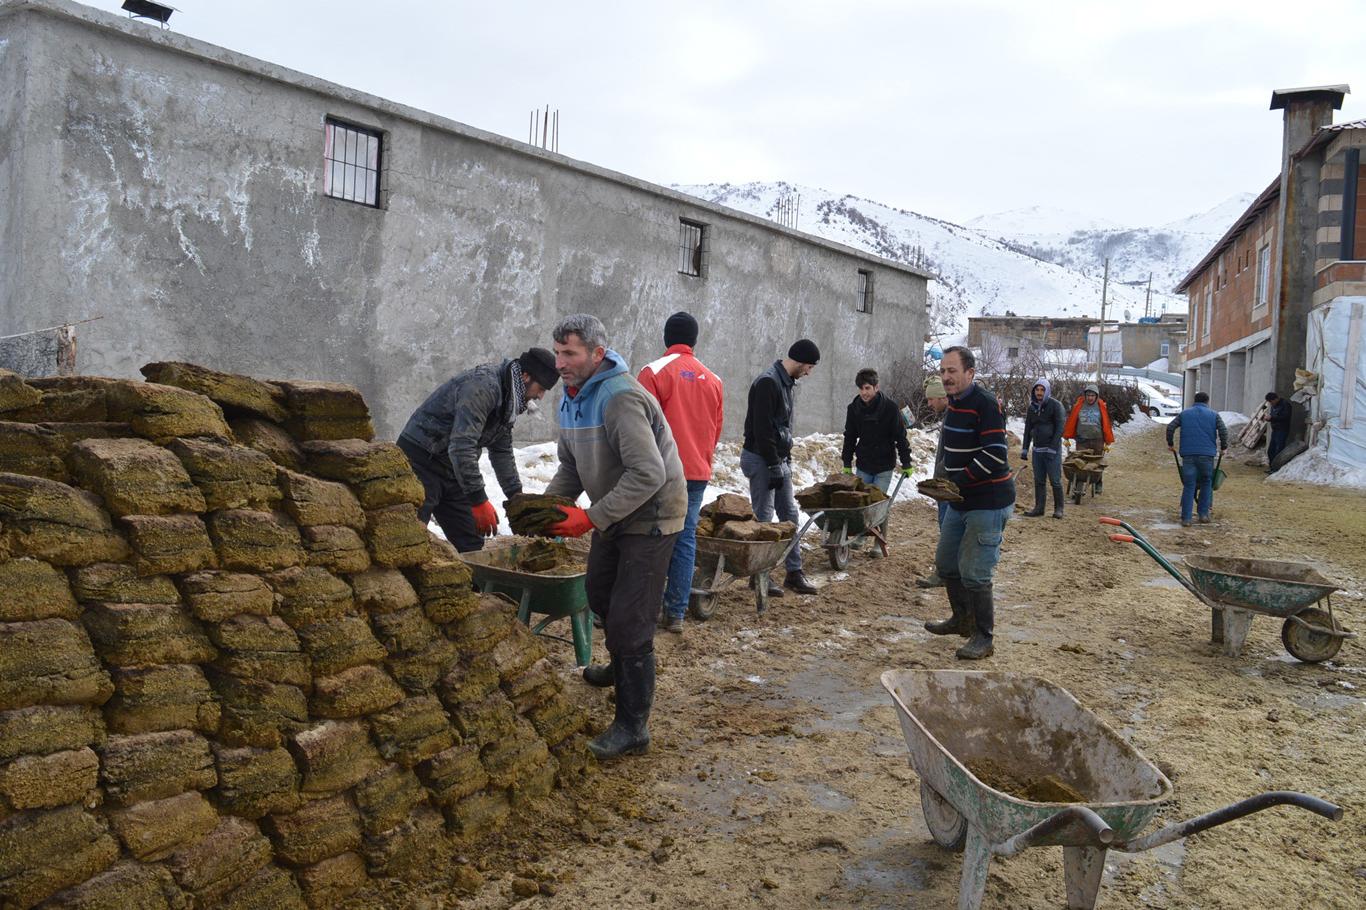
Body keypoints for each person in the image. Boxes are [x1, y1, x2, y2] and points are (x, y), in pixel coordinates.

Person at [541, 314, 686, 760]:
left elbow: (648, 473)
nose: (561, 362)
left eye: (571, 353)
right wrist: (545, 509)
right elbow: (571, 465)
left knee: (631, 619)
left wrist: (589, 519)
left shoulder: (619, 397)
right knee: (599, 592)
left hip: (653, 513)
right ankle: (621, 664)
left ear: (597, 354)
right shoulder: (571, 398)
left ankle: (632, 727)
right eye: (558, 352)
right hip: (617, 511)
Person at [398, 349, 559, 552]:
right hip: (421, 462)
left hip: (452, 469)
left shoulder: (510, 399)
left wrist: (518, 499)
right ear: (526, 376)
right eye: (541, 388)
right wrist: (479, 500)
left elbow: (501, 451)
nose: (540, 396)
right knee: (407, 541)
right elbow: (461, 446)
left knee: (472, 546)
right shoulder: (484, 387)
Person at [923, 346, 1014, 660]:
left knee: (975, 572)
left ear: (970, 373)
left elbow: (995, 454)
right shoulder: (954, 405)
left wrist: (957, 481)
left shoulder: (985, 405)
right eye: (943, 371)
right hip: (961, 501)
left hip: (987, 501)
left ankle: (983, 637)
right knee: (947, 564)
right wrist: (943, 480)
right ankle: (961, 619)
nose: (946, 377)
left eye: (952, 371)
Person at [637, 312, 724, 634]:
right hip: (697, 471)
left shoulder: (652, 372)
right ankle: (675, 613)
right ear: (694, 341)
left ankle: (645, 608)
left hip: (660, 470)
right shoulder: (712, 379)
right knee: (685, 537)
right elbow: (716, 430)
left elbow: (639, 427)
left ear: (665, 337)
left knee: (652, 536)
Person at [741, 340, 822, 595]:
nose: (809, 372)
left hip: (778, 460)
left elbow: (781, 427)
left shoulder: (786, 383)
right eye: (809, 366)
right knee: (764, 518)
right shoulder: (768, 382)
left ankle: (794, 573)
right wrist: (774, 464)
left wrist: (783, 460)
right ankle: (759, 576)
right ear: (799, 361)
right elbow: (762, 429)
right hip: (762, 458)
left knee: (789, 515)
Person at [841, 368, 913, 555]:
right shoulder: (854, 408)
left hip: (883, 464)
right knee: (862, 502)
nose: (864, 393)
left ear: (876, 387)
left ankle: (879, 543)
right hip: (864, 463)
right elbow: (849, 437)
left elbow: (900, 437)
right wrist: (847, 462)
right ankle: (862, 536)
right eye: (861, 389)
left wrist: (907, 463)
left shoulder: (889, 408)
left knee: (879, 503)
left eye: (867, 388)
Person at [1167, 391, 1229, 527]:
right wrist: (1224, 447)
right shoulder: (1214, 414)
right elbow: (1223, 431)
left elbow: (1170, 427)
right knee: (1207, 482)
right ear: (1207, 401)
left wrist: (1170, 444)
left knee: (1189, 484)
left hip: (1188, 454)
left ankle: (1186, 519)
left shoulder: (1185, 414)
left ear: (1194, 401)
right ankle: (1203, 515)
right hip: (1207, 455)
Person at [914, 374, 951, 588]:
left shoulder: (954, 416)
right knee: (945, 528)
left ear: (942, 397)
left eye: (931, 399)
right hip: (943, 480)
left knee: (948, 531)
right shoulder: (949, 416)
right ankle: (947, 573)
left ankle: (944, 574)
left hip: (949, 484)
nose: (928, 404)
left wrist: (942, 474)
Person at [1020, 378, 1066, 519]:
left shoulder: (1055, 405)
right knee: (1039, 480)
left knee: (1055, 480)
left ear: (1047, 391)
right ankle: (1039, 508)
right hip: (1038, 450)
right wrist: (1025, 448)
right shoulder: (1032, 407)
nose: (1039, 392)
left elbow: (1060, 428)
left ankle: (1059, 509)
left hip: (1052, 450)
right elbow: (1028, 429)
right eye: (1037, 390)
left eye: (1042, 390)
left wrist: (1053, 448)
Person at [1062, 383, 1114, 492]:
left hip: (1097, 440)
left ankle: (1098, 483)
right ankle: (1077, 483)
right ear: (1085, 395)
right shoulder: (1079, 405)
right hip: (1082, 440)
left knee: (1097, 464)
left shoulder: (1101, 407)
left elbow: (1106, 423)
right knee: (1079, 462)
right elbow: (1072, 420)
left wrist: (1108, 440)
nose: (1090, 398)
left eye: (1093, 395)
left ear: (1096, 396)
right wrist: (1067, 436)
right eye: (1088, 395)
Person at [1265, 392, 1292, 467]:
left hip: (1282, 430)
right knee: (1271, 451)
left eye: (1271, 401)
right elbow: (1272, 414)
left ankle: (1277, 468)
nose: (1271, 404)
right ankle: (1272, 467)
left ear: (1276, 399)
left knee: (1278, 450)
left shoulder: (1285, 405)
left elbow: (1285, 417)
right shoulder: (1274, 406)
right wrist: (1269, 418)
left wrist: (1272, 418)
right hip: (1275, 430)